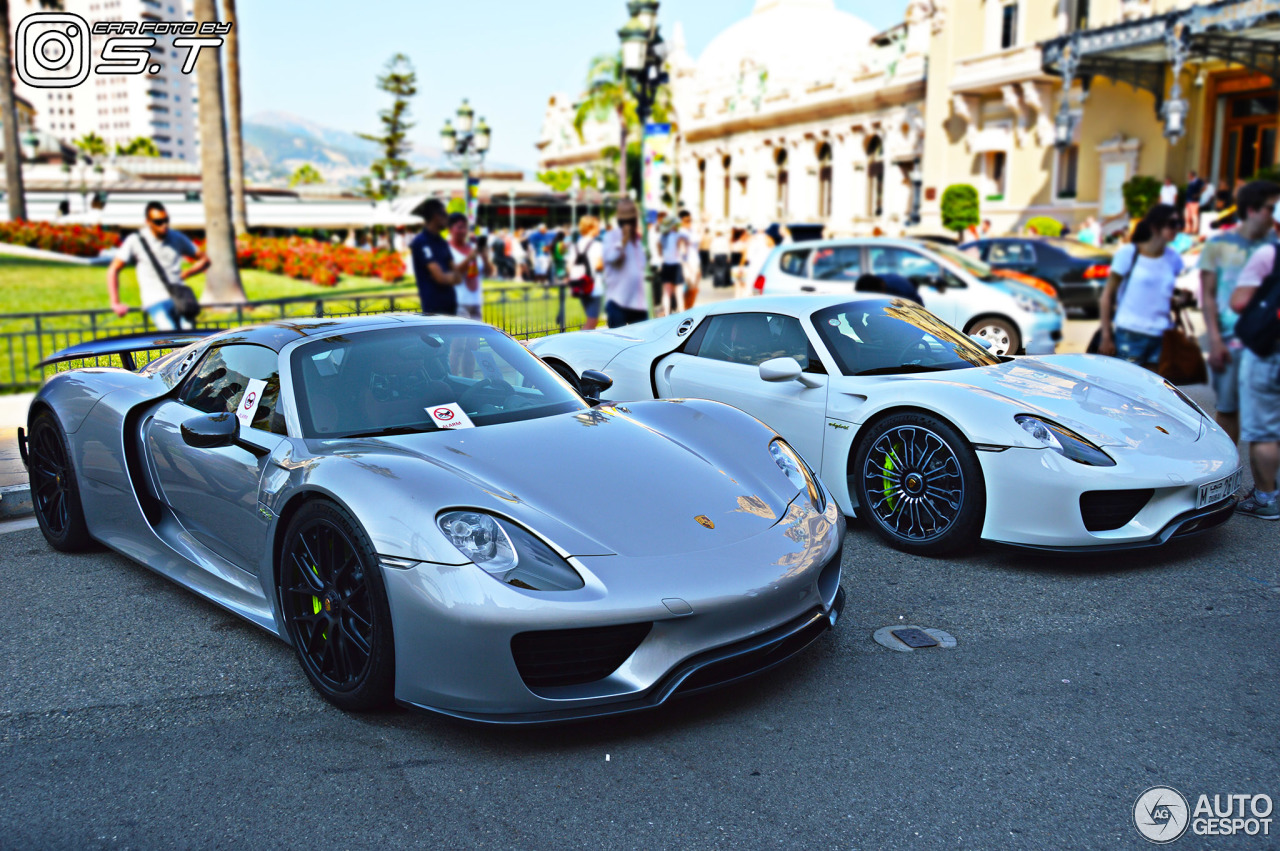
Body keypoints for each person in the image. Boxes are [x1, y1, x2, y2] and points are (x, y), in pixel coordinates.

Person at [1199, 180, 1280, 444]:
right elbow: (1208, 295)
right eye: (1272, 207)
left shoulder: (1275, 244)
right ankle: (1228, 479)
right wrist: (1215, 340)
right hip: (1231, 342)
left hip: (1269, 343)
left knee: (1269, 421)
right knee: (1228, 410)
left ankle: (1266, 486)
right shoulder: (1218, 245)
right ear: (1252, 210)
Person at [1229, 236, 1280, 519]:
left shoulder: (1268, 253)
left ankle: (1265, 498)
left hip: (1268, 351)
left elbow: (1239, 302)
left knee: (1264, 432)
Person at [1098, 203, 1185, 368]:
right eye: (1172, 223)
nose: (1177, 228)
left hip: (1161, 336)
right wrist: (1106, 336)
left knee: (1154, 392)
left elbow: (1161, 293)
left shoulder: (1174, 259)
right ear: (1154, 226)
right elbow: (1106, 296)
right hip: (1130, 335)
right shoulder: (1128, 254)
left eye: (1179, 223)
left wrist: (1180, 298)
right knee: (1126, 389)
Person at [107, 201, 210, 331]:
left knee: (189, 337)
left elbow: (204, 259)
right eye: (158, 221)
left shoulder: (177, 237)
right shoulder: (136, 240)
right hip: (154, 300)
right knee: (169, 333)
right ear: (148, 222)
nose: (164, 225)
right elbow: (114, 269)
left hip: (179, 296)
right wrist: (115, 303)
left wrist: (187, 273)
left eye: (166, 220)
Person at [410, 200, 467, 316]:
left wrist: (450, 277)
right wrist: (452, 277)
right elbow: (440, 278)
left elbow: (458, 277)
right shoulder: (422, 242)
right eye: (445, 215)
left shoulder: (442, 242)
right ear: (436, 216)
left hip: (450, 306)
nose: (447, 219)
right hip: (433, 310)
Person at [601, 199, 649, 328]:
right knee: (618, 344)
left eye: (632, 220)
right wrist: (623, 241)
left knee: (643, 342)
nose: (629, 225)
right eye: (625, 221)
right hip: (618, 302)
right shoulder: (611, 237)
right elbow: (611, 258)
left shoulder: (637, 241)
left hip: (638, 303)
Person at [569, 215, 605, 330]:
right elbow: (599, 265)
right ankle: (579, 342)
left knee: (590, 317)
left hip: (580, 285)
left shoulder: (575, 245)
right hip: (594, 287)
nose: (599, 229)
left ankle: (586, 342)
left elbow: (569, 266)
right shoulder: (597, 245)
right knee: (592, 320)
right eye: (597, 227)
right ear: (590, 228)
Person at [448, 213, 483, 322]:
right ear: (450, 229)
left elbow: (489, 271)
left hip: (476, 302)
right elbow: (453, 273)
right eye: (459, 227)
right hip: (458, 302)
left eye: (465, 227)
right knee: (459, 337)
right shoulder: (446, 249)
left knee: (476, 337)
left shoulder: (473, 247)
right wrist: (468, 259)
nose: (463, 231)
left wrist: (485, 257)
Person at [658, 214, 690, 317]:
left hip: (666, 265)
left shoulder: (662, 237)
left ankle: (667, 314)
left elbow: (659, 251)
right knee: (679, 293)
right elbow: (684, 249)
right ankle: (682, 315)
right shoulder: (678, 236)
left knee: (666, 293)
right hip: (676, 265)